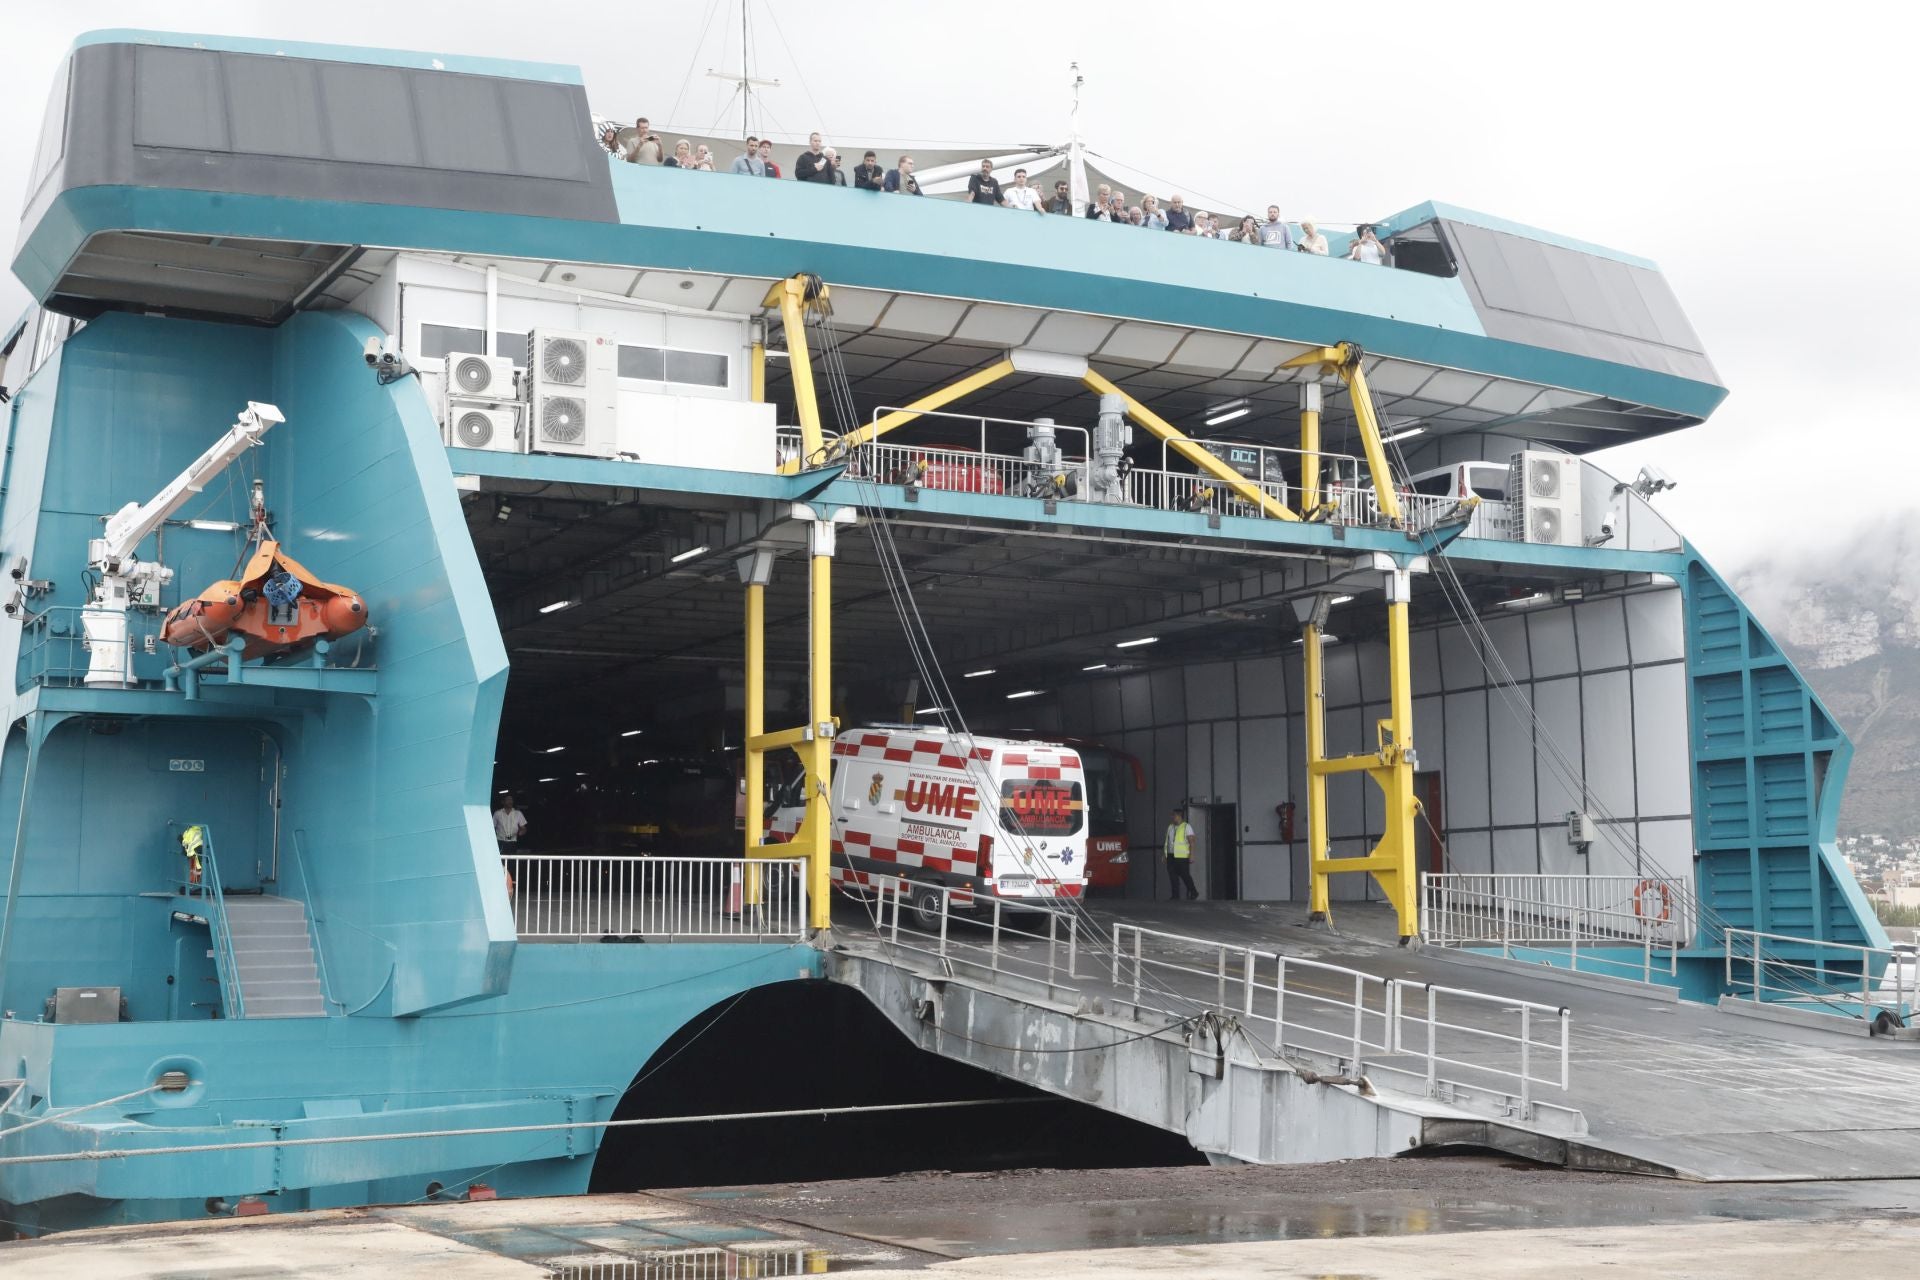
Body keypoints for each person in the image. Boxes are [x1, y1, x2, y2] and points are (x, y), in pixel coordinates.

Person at [1164, 807, 1199, 901]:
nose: (1172, 817)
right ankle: (1175, 895)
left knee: (1185, 875)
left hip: (1182, 856)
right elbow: (1167, 842)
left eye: (1174, 815)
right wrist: (1165, 855)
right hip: (1171, 855)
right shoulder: (1170, 827)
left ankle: (1194, 892)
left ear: (1179, 816)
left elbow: (1192, 842)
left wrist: (1192, 855)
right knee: (1172, 876)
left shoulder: (1186, 827)